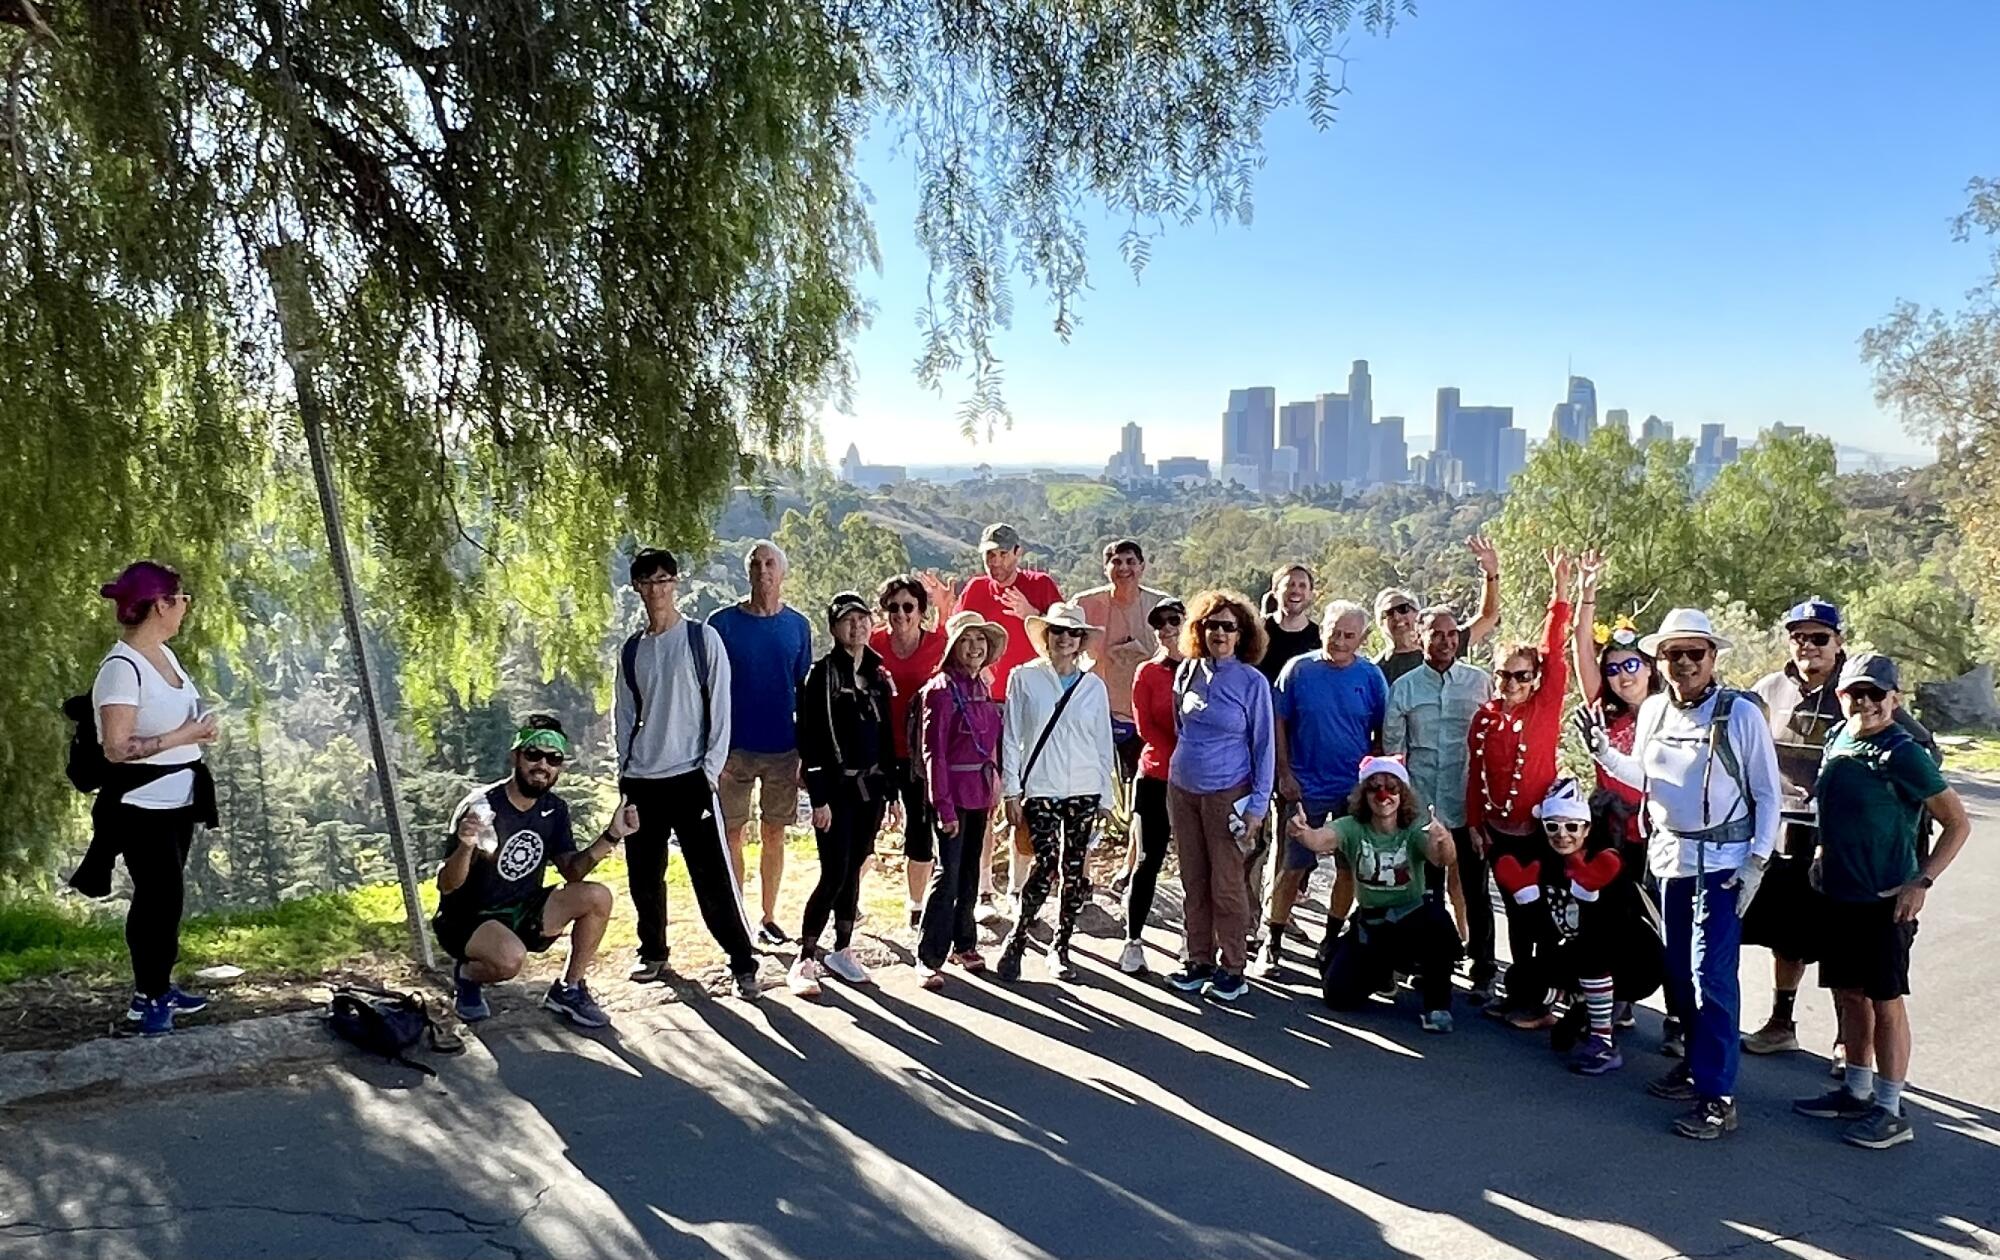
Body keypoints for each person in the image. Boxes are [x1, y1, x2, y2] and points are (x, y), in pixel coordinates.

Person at [1579, 607, 1784, 1141]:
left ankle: (1718, 1097)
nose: (1685, 663)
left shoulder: (1740, 715)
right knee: (1678, 972)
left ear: (1713, 657)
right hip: (1670, 861)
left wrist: (1757, 862)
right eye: (1674, 654)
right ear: (1660, 660)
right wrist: (1603, 750)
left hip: (1723, 866)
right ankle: (1696, 1066)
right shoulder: (1653, 713)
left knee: (1710, 979)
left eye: (1696, 653)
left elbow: (1766, 793)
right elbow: (1642, 774)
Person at [1743, 598, 1939, 1063]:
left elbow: (1921, 751)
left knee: (1842, 944)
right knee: (1785, 935)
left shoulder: (1859, 690)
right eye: (1798, 637)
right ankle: (1781, 1022)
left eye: (1819, 638)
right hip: (1786, 831)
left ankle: (1847, 1042)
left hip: (1847, 842)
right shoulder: (1770, 689)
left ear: (1839, 643)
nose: (1807, 646)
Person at [1789, 654, 1970, 1150]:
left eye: (1876, 693)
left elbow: (1957, 823)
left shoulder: (1903, 753)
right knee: (1848, 994)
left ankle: (1891, 1110)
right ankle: (1857, 1089)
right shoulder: (1837, 739)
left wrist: (1921, 881)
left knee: (1885, 1002)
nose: (1864, 703)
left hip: (1885, 900)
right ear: (1841, 696)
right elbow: (1833, 804)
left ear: (1894, 698)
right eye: (1855, 693)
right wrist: (1823, 852)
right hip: (1839, 894)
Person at [614, 547, 762, 999]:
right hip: (643, 780)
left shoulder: (701, 640)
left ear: (676, 583)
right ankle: (653, 952)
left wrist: (710, 770)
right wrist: (624, 773)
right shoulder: (634, 650)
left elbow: (721, 706)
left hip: (691, 777)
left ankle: (742, 962)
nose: (657, 589)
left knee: (712, 874)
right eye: (648, 581)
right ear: (637, 588)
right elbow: (622, 715)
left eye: (664, 579)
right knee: (644, 874)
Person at [79, 562, 219, 1038]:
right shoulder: (121, 669)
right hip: (140, 806)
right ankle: (148, 997)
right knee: (159, 899)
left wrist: (198, 728)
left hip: (179, 797)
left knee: (167, 899)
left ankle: (159, 985)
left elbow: (175, 715)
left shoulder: (164, 655)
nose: (185, 609)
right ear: (161, 604)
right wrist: (185, 733)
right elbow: (117, 748)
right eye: (182, 600)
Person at [436, 718, 629, 1029]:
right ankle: (467, 975)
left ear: (560, 767)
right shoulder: (482, 806)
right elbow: (447, 885)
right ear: (515, 756)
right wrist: (465, 845)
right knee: (510, 961)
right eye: (533, 755)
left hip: (522, 909)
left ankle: (569, 990)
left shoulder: (555, 809)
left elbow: (572, 872)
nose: (542, 765)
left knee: (597, 897)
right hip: (469, 918)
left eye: (553, 759)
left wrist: (612, 836)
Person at [1488, 779, 1665, 1074]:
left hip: (1634, 962)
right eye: (1553, 827)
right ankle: (1580, 1004)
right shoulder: (1541, 865)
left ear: (1586, 828)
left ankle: (1603, 1043)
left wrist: (1591, 899)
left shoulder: (1606, 861)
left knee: (1592, 952)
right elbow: (1545, 933)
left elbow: (1615, 931)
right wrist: (1528, 899)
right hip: (1584, 956)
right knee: (1519, 979)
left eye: (1572, 827)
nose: (1562, 835)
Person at [1466, 550, 1574, 1021]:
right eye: (1504, 674)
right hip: (1499, 836)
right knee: (1516, 914)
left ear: (1536, 681)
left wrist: (1561, 593)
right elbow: (1475, 776)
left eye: (1522, 676)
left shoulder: (1543, 710)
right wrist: (1475, 824)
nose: (1511, 682)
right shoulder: (1485, 718)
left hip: (1539, 838)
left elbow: (1555, 650)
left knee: (1544, 919)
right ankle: (1521, 993)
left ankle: (1546, 998)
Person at [1259, 600, 1386, 978]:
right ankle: (1272, 940)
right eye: (1334, 632)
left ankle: (1330, 938)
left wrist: (1371, 782)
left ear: (1362, 637)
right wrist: (1283, 773)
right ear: (1323, 629)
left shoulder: (1371, 676)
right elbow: (1278, 723)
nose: (1340, 641)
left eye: (1349, 635)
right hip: (1303, 785)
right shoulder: (1298, 670)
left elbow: (1381, 734)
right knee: (1292, 866)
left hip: (1352, 790)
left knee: (1348, 869)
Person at [1292, 756, 1460, 1032]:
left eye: (1392, 788)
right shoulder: (1351, 826)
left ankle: (1437, 1006)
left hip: (1412, 922)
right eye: (1375, 788)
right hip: (1373, 925)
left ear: (1402, 794)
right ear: (1364, 794)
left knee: (1437, 921)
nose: (1384, 795)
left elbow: (1442, 859)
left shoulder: (1415, 827)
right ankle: (1381, 973)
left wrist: (1443, 840)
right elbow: (1320, 839)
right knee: (1337, 996)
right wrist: (1303, 832)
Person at [996, 602, 1116, 983]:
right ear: (1046, 636)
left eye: (1071, 633)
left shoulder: (1093, 686)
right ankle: (1017, 938)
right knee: (1045, 864)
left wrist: (1106, 797)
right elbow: (1011, 736)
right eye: (1057, 631)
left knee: (1074, 869)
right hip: (1041, 787)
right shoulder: (1024, 678)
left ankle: (1061, 946)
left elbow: (1102, 743)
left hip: (1083, 788)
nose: (1064, 638)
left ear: (1081, 640)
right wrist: (1011, 791)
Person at [1165, 590, 1275, 1003]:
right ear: (1200, 629)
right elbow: (1182, 726)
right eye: (1212, 625)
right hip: (1183, 790)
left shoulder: (1252, 683)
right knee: (1193, 879)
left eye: (1229, 626)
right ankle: (1198, 961)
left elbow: (1264, 747)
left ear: (1241, 633)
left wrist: (1258, 806)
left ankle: (1233, 967)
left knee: (1226, 883)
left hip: (1228, 793)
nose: (1220, 633)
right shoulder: (1188, 672)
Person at [1383, 603, 1497, 1001]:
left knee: (1474, 890)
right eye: (1437, 634)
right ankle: (1425, 965)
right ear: (1421, 638)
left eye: (1452, 635)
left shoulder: (1480, 683)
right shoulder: (1405, 688)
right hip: (1422, 807)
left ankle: (1483, 968)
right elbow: (1394, 753)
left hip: (1467, 806)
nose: (1446, 642)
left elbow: (1493, 743)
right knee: (1423, 892)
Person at [1570, 551, 1662, 1041]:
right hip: (1610, 834)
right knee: (1613, 919)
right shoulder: (1603, 713)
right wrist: (1588, 591)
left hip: (1658, 835)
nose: (1623, 675)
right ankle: (1618, 1001)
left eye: (1632, 665)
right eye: (1614, 669)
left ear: (1649, 668)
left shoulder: (1668, 713)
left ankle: (1678, 1016)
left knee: (1664, 924)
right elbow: (1580, 647)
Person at [787, 594, 896, 998]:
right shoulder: (821, 676)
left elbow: (885, 738)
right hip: (835, 793)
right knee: (833, 872)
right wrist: (819, 799)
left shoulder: (877, 675)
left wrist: (891, 793)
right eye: (847, 620)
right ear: (833, 628)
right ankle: (805, 956)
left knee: (854, 870)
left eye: (862, 619)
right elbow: (810, 741)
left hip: (870, 790)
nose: (857, 627)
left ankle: (843, 949)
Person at [708, 540, 816, 947]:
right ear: (747, 571)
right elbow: (709, 690)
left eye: (770, 563)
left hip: (783, 748)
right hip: (732, 750)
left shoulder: (797, 626)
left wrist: (807, 752)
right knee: (733, 833)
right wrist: (712, 751)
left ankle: (769, 916)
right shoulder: (721, 625)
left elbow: (804, 691)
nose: (763, 570)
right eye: (755, 563)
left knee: (774, 832)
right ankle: (737, 915)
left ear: (782, 571)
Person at [956, 522, 1064, 908]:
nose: (995, 562)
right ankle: (982, 887)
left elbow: (1064, 639)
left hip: (1031, 704)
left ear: (1018, 552)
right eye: (989, 555)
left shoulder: (1041, 586)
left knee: (1027, 795)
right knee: (983, 796)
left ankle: (1019, 888)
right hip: (983, 704)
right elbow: (958, 636)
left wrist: (1031, 613)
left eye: (1002, 554)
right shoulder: (975, 590)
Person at [914, 612, 1009, 989]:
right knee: (947, 875)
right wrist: (944, 806)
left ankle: (964, 943)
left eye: (980, 641)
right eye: (967, 640)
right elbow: (933, 753)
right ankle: (928, 955)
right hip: (952, 794)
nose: (975, 647)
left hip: (980, 792)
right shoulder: (940, 689)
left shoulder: (980, 687)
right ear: (954, 646)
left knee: (970, 871)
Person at [870, 574, 951, 928]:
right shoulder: (872, 643)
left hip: (922, 754)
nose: (900, 614)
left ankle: (916, 903)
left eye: (908, 606)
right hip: (879, 750)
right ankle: (848, 903)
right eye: (893, 607)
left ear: (921, 611)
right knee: (864, 828)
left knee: (919, 831)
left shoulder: (939, 645)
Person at [1251, 564, 1320, 950]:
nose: (1294, 591)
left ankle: (1281, 911)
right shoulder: (1257, 635)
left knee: (1291, 837)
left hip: (1304, 753)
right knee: (1254, 838)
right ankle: (1248, 916)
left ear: (1311, 593)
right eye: (1287, 585)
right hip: (1255, 748)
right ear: (1274, 591)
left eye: (1301, 585)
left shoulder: (1318, 639)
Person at [1074, 539, 1168, 806]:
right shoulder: (1086, 604)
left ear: (1142, 567)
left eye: (1130, 561)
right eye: (1116, 561)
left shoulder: (1161, 607)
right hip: (1096, 713)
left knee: (1143, 792)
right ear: (1106, 568)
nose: (1123, 568)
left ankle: (1134, 845)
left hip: (1145, 716)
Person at [1122, 598, 1185, 974]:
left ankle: (1193, 937)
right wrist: (1183, 752)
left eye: (1173, 620)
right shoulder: (1147, 672)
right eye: (1159, 623)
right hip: (1157, 776)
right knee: (1148, 859)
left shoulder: (1203, 670)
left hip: (1196, 781)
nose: (1165, 628)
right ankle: (1132, 940)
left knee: (1194, 864)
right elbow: (1145, 728)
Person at [1373, 536, 1503, 686]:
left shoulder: (1443, 643)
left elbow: (1488, 617)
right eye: (1388, 613)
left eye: (1403, 609)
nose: (1396, 616)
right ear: (1380, 624)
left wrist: (1491, 573)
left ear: (1417, 614)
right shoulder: (1376, 670)